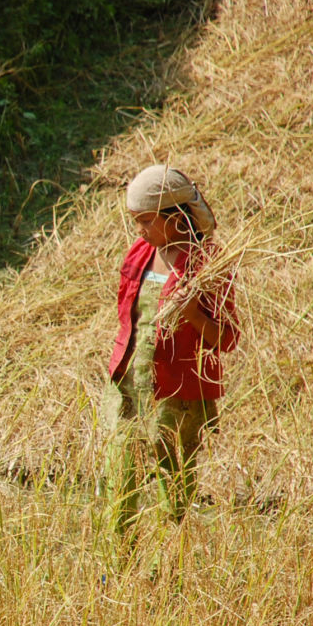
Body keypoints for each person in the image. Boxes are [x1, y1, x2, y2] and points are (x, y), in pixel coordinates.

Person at [104, 164, 239, 533]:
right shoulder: (139, 254)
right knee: (120, 478)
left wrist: (192, 312)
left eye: (146, 220)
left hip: (176, 394)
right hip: (131, 385)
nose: (139, 230)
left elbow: (227, 339)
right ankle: (120, 559)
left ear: (176, 218)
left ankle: (170, 565)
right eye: (136, 221)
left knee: (174, 484)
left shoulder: (207, 264)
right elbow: (128, 319)